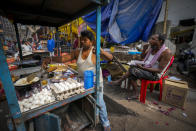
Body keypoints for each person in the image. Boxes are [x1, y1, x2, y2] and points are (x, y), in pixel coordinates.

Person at [43, 30, 112, 130]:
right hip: (82, 82)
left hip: (97, 82)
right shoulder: (77, 52)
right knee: (84, 102)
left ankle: (106, 123)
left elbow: (110, 58)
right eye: (82, 40)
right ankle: (87, 120)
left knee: (100, 102)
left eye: (85, 40)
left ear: (92, 41)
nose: (83, 42)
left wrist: (102, 51)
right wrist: (50, 59)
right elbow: (63, 59)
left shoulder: (95, 51)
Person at [110, 34, 172, 99]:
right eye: (150, 38)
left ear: (160, 41)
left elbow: (159, 70)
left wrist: (142, 68)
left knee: (133, 70)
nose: (150, 41)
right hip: (146, 69)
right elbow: (142, 57)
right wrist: (144, 49)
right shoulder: (152, 48)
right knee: (132, 69)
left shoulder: (166, 53)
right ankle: (134, 92)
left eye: (153, 39)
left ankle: (122, 83)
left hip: (155, 75)